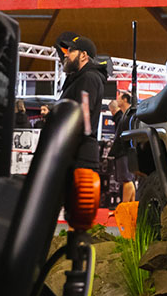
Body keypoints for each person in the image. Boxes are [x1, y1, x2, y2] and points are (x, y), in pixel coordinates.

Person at [43, 33, 107, 169]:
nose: (66, 55)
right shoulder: (78, 79)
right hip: (73, 155)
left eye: (71, 51)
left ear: (83, 55)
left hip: (80, 158)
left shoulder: (89, 78)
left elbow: (84, 120)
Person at [109, 91, 136, 203]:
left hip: (125, 151)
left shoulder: (129, 115)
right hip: (124, 151)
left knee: (127, 180)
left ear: (125, 100)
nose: (117, 100)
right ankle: (131, 206)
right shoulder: (125, 115)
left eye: (119, 98)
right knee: (128, 180)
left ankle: (125, 206)